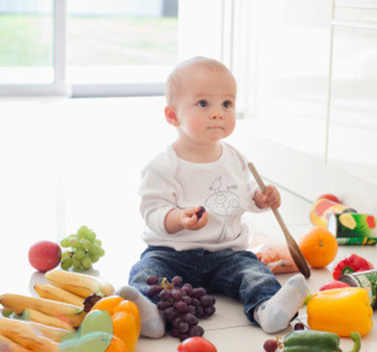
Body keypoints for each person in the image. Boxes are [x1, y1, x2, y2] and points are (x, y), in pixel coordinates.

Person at [116, 56, 309, 338]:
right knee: (146, 272)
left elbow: (243, 197)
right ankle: (152, 314)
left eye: (227, 104)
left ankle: (267, 308)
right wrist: (179, 219)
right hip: (172, 253)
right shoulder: (163, 165)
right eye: (204, 104)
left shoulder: (235, 158)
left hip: (226, 254)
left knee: (253, 273)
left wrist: (260, 199)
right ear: (172, 116)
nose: (218, 113)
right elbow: (153, 212)